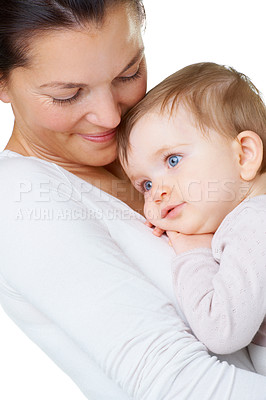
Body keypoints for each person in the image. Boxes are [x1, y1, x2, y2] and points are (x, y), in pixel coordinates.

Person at [0, 0, 266, 398]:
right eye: (68, 94)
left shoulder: (155, 158)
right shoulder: (18, 198)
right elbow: (178, 386)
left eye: (129, 73)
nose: (110, 117)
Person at [117, 62, 266, 377]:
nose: (157, 192)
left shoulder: (253, 223)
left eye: (173, 160)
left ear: (245, 154)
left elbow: (222, 329)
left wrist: (191, 247)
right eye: (145, 185)